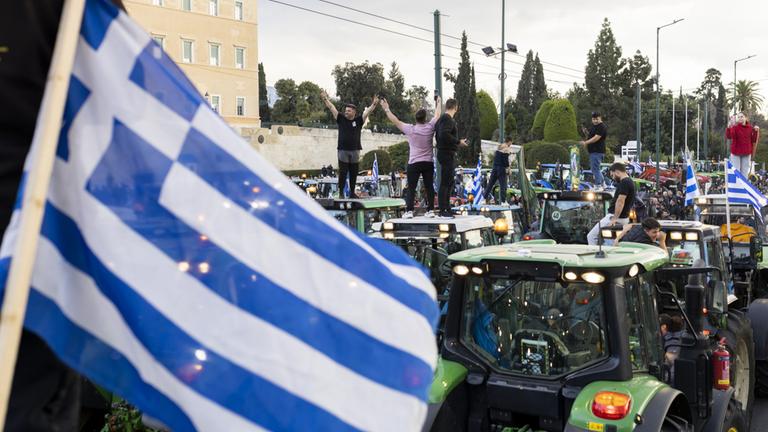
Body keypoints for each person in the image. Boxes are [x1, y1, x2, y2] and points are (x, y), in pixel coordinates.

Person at [380, 96, 442, 218]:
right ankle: (430, 210)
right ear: (425, 119)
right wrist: (438, 102)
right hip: (427, 162)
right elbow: (437, 115)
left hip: (414, 163)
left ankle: (409, 211)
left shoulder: (410, 129)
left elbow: (395, 120)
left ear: (416, 119)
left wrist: (386, 109)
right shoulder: (430, 127)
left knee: (411, 187)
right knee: (429, 186)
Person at [321, 90, 379, 198]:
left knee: (353, 172)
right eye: (346, 110)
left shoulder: (358, 120)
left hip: (355, 150)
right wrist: (325, 99)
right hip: (343, 150)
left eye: (348, 111)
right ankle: (341, 193)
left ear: (354, 112)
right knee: (343, 172)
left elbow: (368, 112)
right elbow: (332, 108)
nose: (346, 112)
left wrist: (374, 104)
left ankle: (352, 192)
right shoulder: (341, 118)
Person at [587, 163, 635, 245]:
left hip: (615, 216)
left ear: (617, 172)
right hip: (623, 218)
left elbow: (620, 201)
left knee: (591, 236)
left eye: (612, 175)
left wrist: (614, 218)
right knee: (614, 242)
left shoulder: (625, 182)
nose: (613, 178)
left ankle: (593, 255)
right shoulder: (630, 182)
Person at [435, 98, 468, 218]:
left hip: (445, 153)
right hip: (446, 153)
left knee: (449, 182)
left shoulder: (441, 120)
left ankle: (447, 208)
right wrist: (458, 141)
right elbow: (444, 134)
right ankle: (443, 209)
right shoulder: (447, 119)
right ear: (455, 107)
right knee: (445, 182)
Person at [580, 112, 607, 189]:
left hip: (597, 151)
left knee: (595, 169)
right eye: (593, 119)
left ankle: (598, 185)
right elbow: (591, 136)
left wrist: (585, 143)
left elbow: (596, 138)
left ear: (600, 118)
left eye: (596, 119)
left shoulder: (601, 126)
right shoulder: (594, 126)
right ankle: (603, 183)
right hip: (593, 151)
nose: (595, 121)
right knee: (595, 169)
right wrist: (586, 133)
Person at [484, 139, 514, 204]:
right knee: (503, 185)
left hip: (495, 167)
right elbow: (505, 161)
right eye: (511, 143)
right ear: (509, 142)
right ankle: (503, 201)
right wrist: (509, 169)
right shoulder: (506, 148)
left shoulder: (500, 146)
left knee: (490, 184)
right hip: (501, 169)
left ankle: (483, 198)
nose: (510, 145)